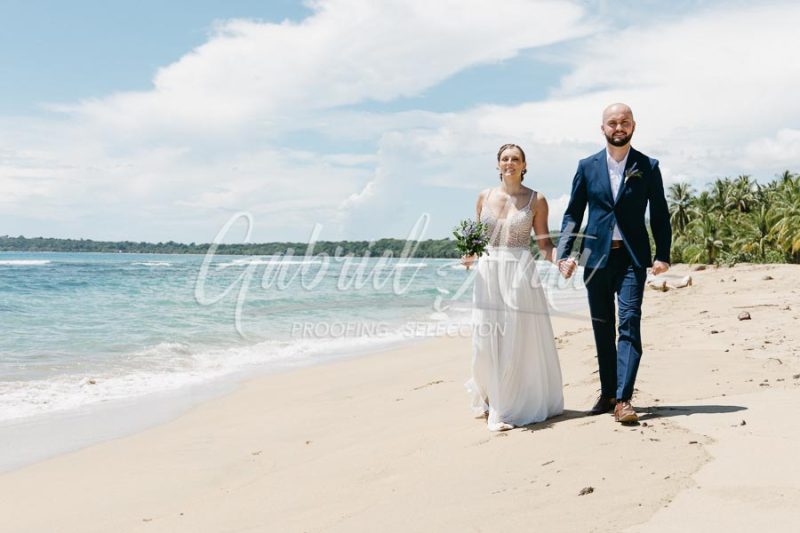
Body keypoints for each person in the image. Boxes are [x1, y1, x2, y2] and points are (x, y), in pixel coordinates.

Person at [557, 103, 671, 424]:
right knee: (602, 327)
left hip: (632, 257)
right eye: (612, 122)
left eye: (624, 122)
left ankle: (623, 399)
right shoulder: (586, 166)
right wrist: (564, 253)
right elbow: (572, 213)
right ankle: (607, 393)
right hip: (595, 258)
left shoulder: (648, 165)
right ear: (602, 128)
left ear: (633, 125)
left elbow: (660, 213)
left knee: (630, 323)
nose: (618, 127)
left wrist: (663, 253)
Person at [462, 144, 564, 431]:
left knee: (515, 339)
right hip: (488, 272)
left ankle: (507, 404)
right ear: (498, 164)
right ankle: (490, 395)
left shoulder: (536, 199)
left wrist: (561, 262)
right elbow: (476, 241)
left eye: (515, 159)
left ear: (524, 164)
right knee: (485, 339)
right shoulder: (484, 196)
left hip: (519, 272)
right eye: (505, 159)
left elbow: (544, 245)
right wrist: (468, 256)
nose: (510, 163)